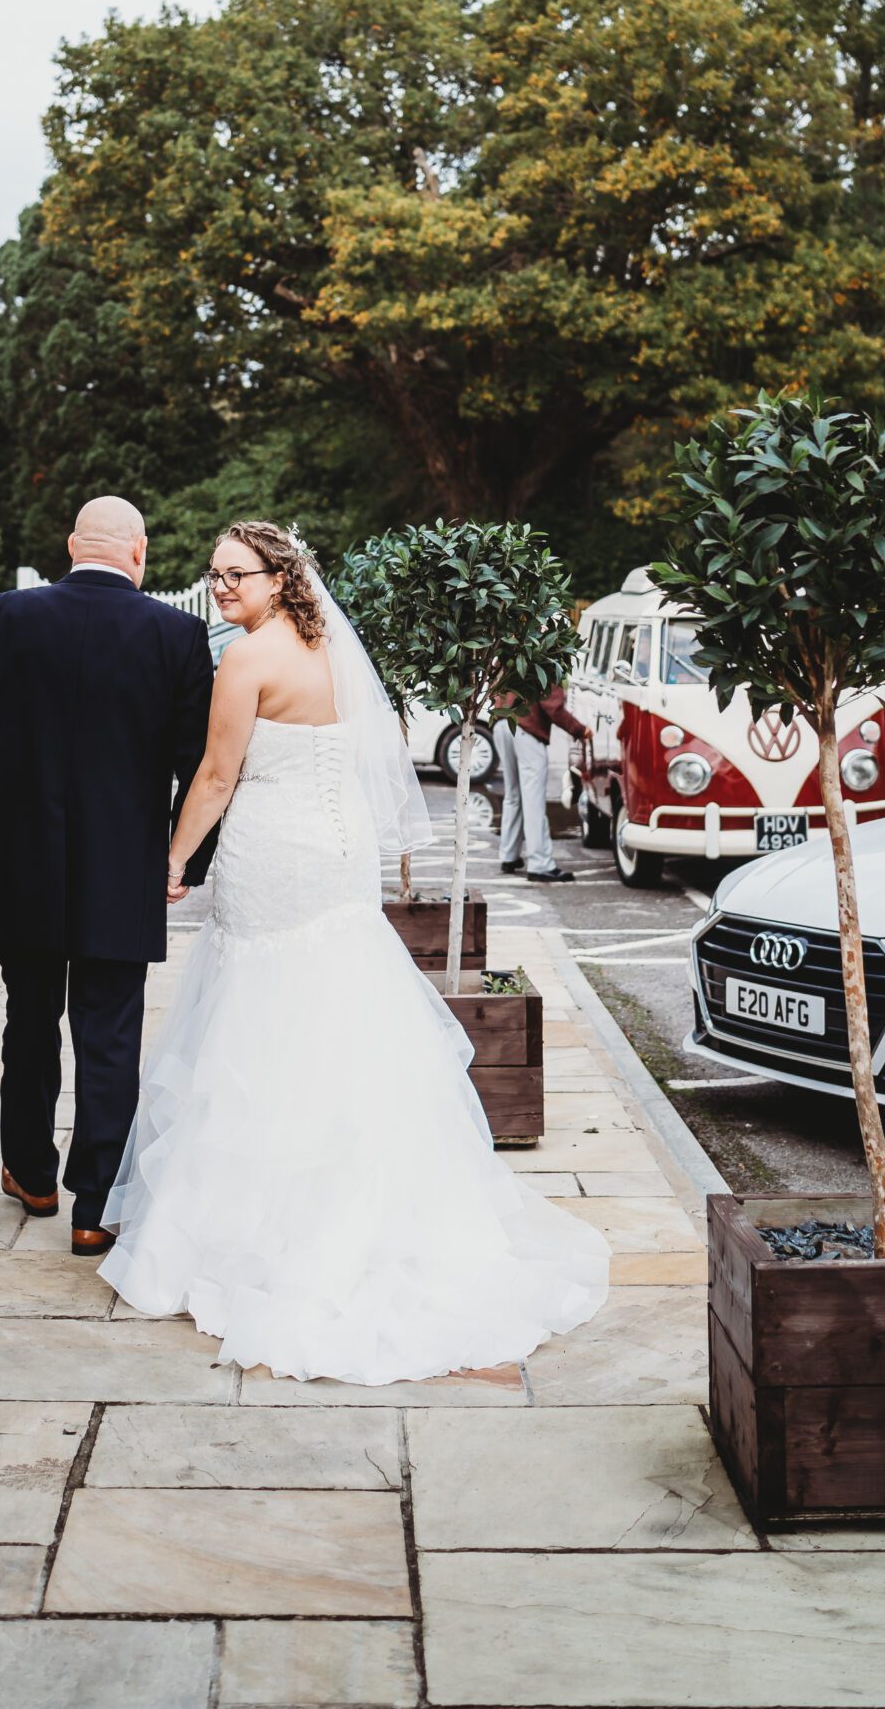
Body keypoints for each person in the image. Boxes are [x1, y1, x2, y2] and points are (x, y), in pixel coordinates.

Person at [100, 520, 610, 1384]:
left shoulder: (247, 659)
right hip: (337, 861)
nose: (221, 588)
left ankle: (265, 1222)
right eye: (213, 575)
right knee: (338, 1006)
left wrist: (174, 857)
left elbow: (217, 777)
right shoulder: (332, 647)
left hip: (271, 854)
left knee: (258, 1018)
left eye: (235, 575)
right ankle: (367, 1196)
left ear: (276, 575)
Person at [0, 497, 214, 1256]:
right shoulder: (177, 634)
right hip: (123, 864)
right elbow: (201, 762)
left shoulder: (2, 617)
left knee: (30, 1019)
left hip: (20, 857)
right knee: (110, 1034)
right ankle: (95, 1207)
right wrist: (185, 856)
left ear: (70, 546)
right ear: (139, 552)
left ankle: (32, 1175)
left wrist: (16, 784)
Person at [494, 684, 588, 884]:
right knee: (533, 801)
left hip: (502, 724)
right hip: (527, 729)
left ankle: (508, 855)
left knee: (513, 796)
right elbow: (552, 706)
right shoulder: (544, 655)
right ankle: (540, 864)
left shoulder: (506, 654)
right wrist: (579, 729)